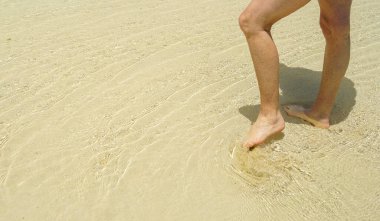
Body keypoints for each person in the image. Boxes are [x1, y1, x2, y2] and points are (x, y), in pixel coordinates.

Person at [238, 0, 352, 149]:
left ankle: (269, 118)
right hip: (352, 87)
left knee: (252, 21)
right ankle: (320, 113)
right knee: (336, 26)